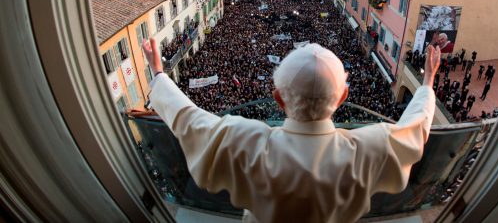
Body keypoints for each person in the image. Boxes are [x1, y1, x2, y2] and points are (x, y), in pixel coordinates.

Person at [142, 38, 441, 223]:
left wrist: (159, 76)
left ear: (278, 98)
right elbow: (415, 129)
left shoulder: (243, 142)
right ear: (343, 97)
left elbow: (189, 119)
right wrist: (426, 84)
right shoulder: (371, 147)